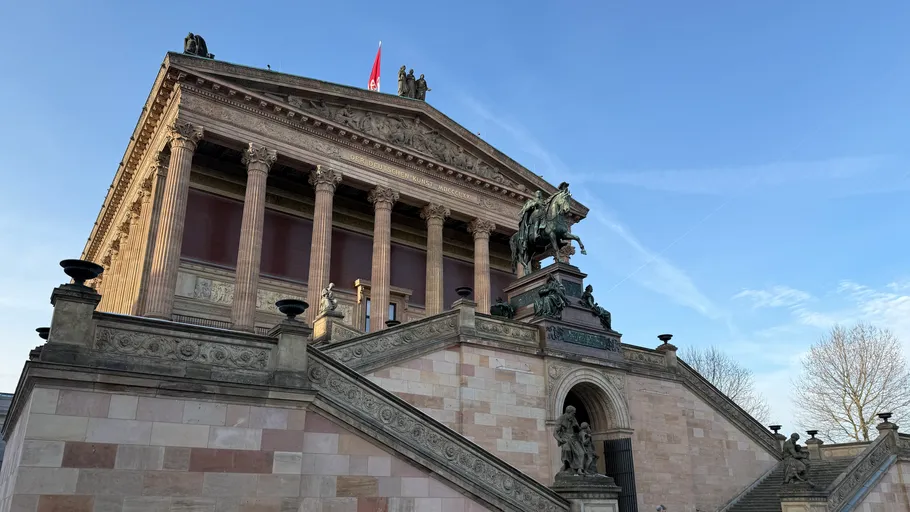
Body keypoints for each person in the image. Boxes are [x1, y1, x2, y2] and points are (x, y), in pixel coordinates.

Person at [554, 406, 585, 476]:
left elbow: (578, 430)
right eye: (573, 413)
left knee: (581, 452)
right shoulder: (561, 419)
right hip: (565, 438)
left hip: (574, 438)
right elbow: (555, 433)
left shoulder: (573, 418)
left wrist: (577, 427)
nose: (574, 415)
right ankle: (566, 465)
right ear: (568, 412)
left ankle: (580, 469)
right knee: (566, 449)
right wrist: (561, 440)